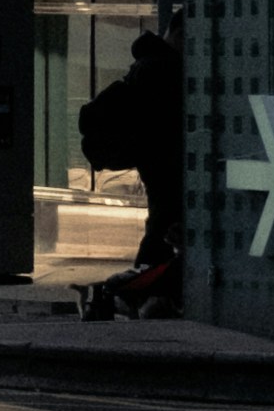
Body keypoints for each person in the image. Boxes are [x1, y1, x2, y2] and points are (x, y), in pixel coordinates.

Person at [72, 20, 188, 321]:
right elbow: (163, 125)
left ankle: (130, 295)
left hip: (157, 161)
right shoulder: (163, 69)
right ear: (181, 36)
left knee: (162, 227)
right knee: (165, 230)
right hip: (166, 161)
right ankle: (127, 294)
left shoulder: (148, 66)